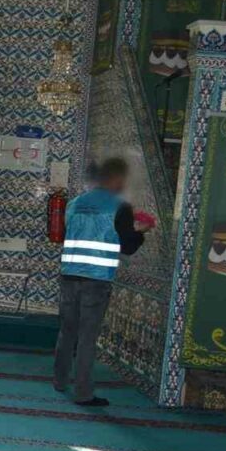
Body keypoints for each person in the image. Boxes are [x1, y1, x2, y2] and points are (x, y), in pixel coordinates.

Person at [53, 157, 154, 406]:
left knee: (67, 331)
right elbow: (128, 247)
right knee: (87, 337)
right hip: (96, 280)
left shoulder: (75, 203)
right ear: (116, 179)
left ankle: (59, 380)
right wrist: (140, 231)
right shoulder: (119, 206)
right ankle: (83, 394)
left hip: (69, 275)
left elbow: (68, 233)